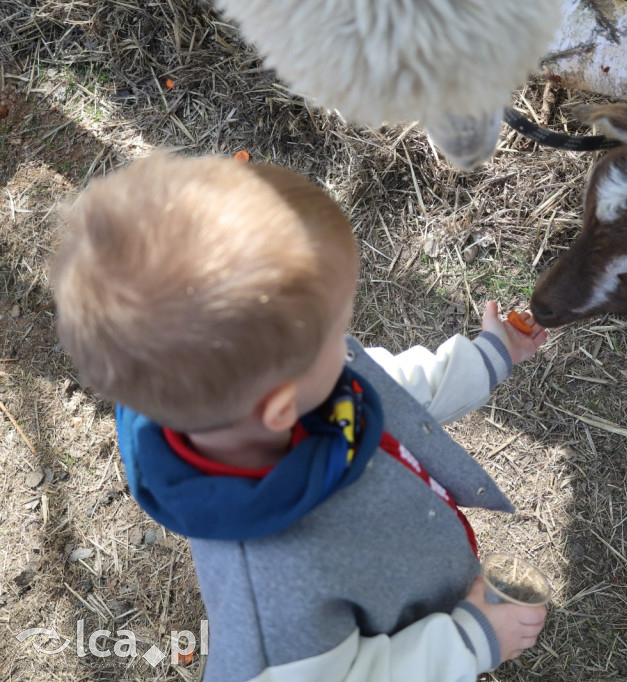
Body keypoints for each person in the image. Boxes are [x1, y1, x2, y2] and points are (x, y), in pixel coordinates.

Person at [50, 152, 550, 681]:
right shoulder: (274, 598)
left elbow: (386, 389)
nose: (350, 346)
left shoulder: (258, 392)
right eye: (338, 335)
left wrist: (485, 358)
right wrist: (468, 642)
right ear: (282, 408)